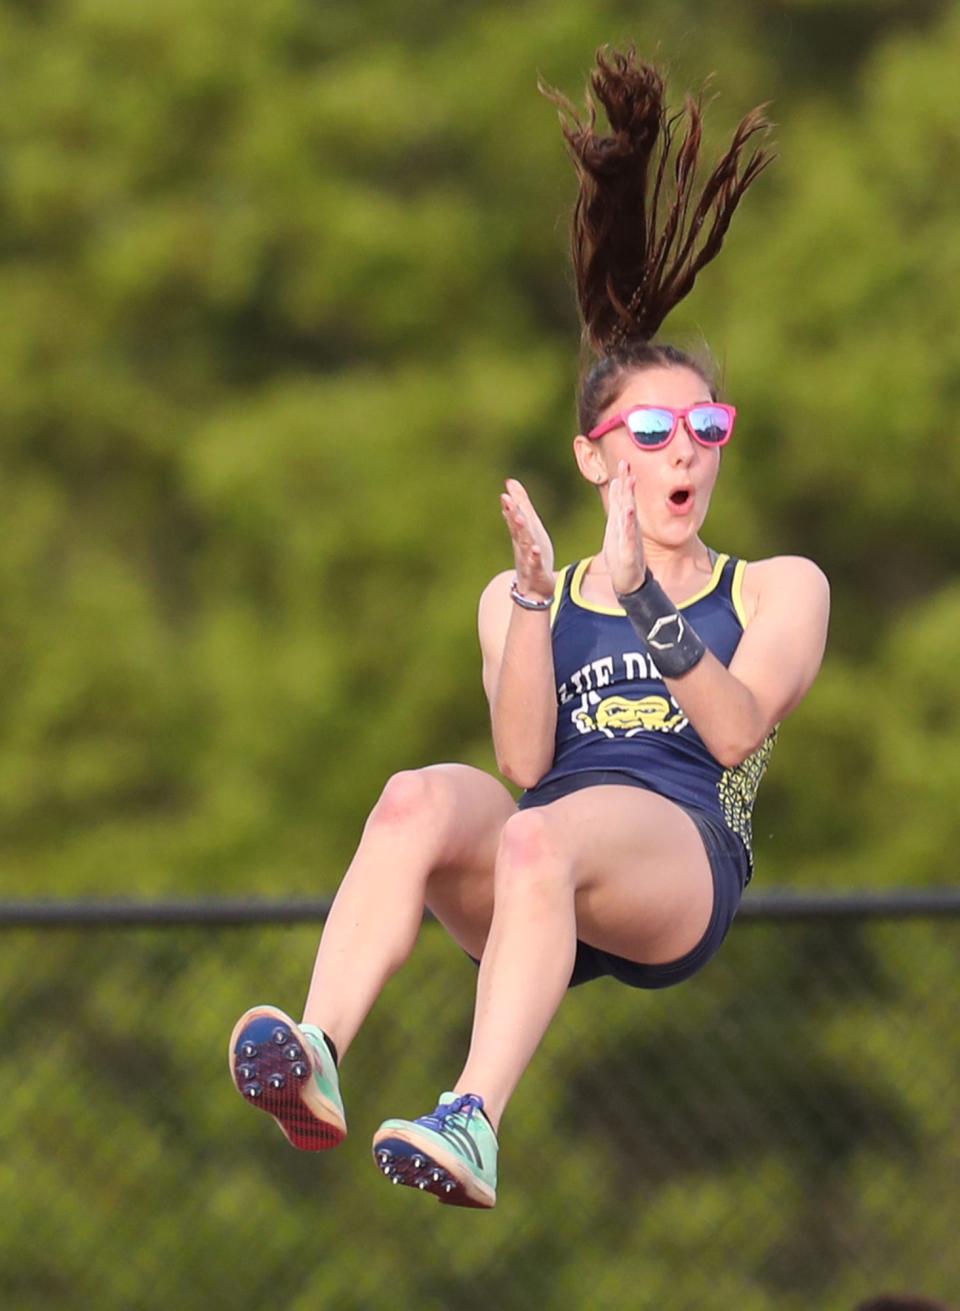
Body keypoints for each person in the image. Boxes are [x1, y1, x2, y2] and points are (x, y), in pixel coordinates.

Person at [228, 47, 830, 1210]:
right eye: (650, 435)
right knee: (418, 797)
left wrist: (649, 600)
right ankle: (317, 1054)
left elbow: (732, 729)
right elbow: (526, 766)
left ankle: (474, 1117)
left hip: (675, 859)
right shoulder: (524, 591)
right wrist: (540, 609)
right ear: (594, 459)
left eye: (703, 426)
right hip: (540, 860)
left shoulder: (777, 585)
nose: (685, 452)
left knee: (540, 840)